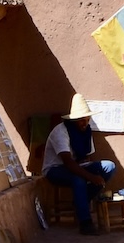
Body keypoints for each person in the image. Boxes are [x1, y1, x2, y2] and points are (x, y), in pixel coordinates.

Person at [41, 94, 119, 235]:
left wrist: (93, 172)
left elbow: (88, 156)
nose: (85, 123)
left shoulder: (86, 131)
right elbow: (68, 163)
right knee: (79, 179)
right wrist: (91, 177)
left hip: (78, 166)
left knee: (109, 167)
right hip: (55, 169)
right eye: (82, 121)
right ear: (74, 120)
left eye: (87, 120)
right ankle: (85, 223)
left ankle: (80, 201)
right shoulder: (61, 132)